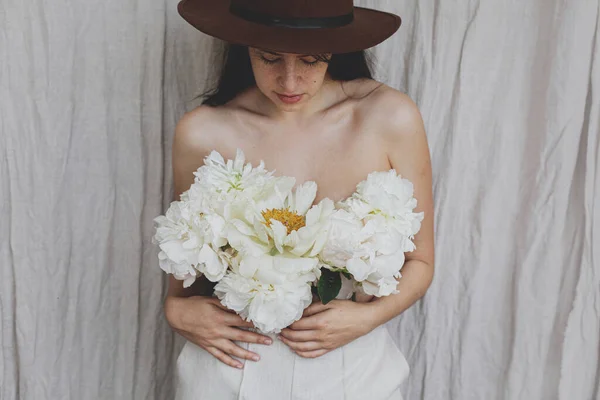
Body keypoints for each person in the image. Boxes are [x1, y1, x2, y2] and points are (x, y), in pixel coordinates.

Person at [163, 0, 435, 398]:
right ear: (244, 47)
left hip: (352, 374)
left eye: (310, 60)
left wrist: (369, 317)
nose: (289, 82)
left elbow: (421, 261)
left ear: (336, 49)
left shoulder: (388, 117)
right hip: (228, 373)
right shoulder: (202, 132)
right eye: (269, 57)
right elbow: (182, 283)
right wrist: (177, 312)